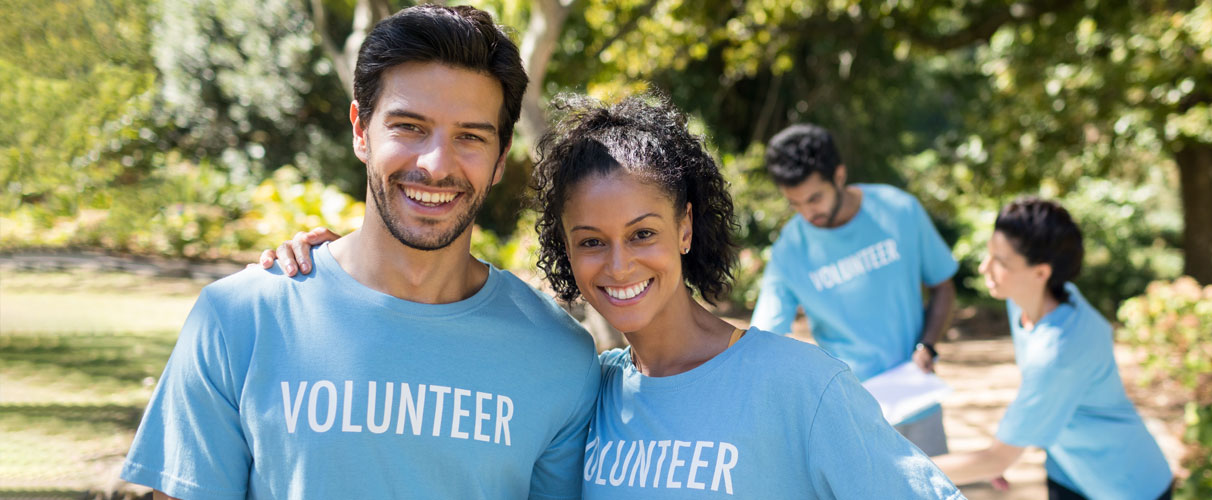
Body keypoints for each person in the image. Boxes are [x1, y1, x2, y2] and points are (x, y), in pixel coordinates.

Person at [269, 92, 966, 498]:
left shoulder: (802, 388)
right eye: (590, 240)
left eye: (642, 232)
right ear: (566, 252)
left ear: (685, 226)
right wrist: (346, 260)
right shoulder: (581, 386)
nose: (618, 263)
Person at [121, 5, 600, 499]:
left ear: (500, 158)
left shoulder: (559, 356)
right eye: (409, 127)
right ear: (359, 129)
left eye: (470, 137)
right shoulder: (239, 319)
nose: (436, 165)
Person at [933, 197, 1174, 499]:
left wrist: (905, 468)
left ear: (1041, 273)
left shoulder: (1058, 352)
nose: (985, 267)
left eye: (1001, 262)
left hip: (1125, 483)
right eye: (990, 253)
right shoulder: (1031, 296)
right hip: (1068, 471)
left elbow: (998, 458)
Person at [749, 124, 959, 455]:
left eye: (815, 198)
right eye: (795, 203)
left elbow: (943, 287)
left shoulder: (898, 210)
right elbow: (764, 336)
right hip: (847, 412)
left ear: (840, 175)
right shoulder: (790, 249)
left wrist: (927, 346)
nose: (807, 212)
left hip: (917, 398)